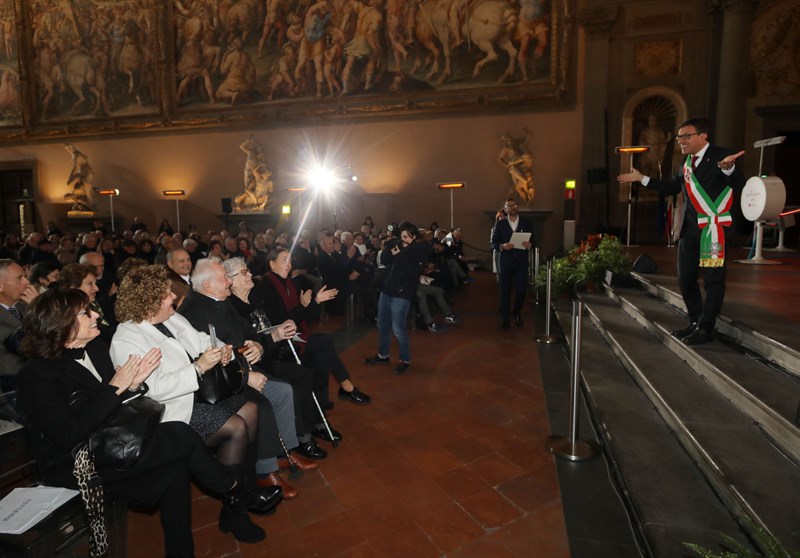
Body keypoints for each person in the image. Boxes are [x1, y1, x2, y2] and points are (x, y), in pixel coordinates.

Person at [15, 289, 281, 556]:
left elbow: (120, 402)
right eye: (86, 312)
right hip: (82, 463)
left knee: (176, 455)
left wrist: (133, 385)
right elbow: (69, 435)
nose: (96, 314)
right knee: (179, 435)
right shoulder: (36, 376)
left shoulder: (94, 347)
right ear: (62, 326)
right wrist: (116, 388)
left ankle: (195, 538)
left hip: (116, 439)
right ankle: (236, 494)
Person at [110, 266, 306, 508]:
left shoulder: (171, 318)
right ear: (149, 301)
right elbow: (153, 390)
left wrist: (224, 350)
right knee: (236, 426)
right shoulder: (126, 339)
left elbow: (200, 339)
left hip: (199, 394)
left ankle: (249, 483)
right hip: (171, 410)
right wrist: (198, 368)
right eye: (167, 294)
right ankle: (237, 501)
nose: (174, 297)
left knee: (252, 408)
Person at [617, 117, 746, 345]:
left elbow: (739, 184)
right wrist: (642, 179)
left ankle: (706, 327)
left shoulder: (722, 156)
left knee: (713, 280)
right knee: (685, 278)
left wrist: (730, 169)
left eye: (686, 136)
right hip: (689, 230)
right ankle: (695, 320)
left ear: (703, 136)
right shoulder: (685, 164)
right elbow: (671, 188)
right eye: (679, 137)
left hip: (713, 230)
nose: (681, 141)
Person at [227, 253, 371, 406]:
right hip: (282, 339)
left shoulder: (292, 284)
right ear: (271, 264)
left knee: (322, 356)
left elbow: (303, 317)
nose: (288, 264)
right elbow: (281, 320)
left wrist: (315, 301)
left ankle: (321, 404)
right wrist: (302, 306)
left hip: (291, 334)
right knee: (323, 341)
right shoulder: (264, 286)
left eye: (290, 260)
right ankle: (346, 387)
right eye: (283, 260)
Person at [364, 222, 431, 375]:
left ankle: (405, 360)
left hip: (402, 294)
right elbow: (386, 261)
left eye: (406, 236)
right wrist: (389, 248)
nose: (403, 239)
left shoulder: (419, 251)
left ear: (414, 237)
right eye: (401, 236)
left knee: (398, 329)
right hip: (387, 290)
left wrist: (399, 255)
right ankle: (383, 355)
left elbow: (412, 273)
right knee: (382, 324)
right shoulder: (397, 244)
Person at [490, 198, 533, 329]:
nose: (512, 207)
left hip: (521, 262)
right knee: (505, 292)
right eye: (509, 206)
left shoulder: (526, 223)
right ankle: (505, 320)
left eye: (514, 205)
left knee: (521, 291)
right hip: (506, 262)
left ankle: (516, 312)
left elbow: (534, 240)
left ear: (517, 207)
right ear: (505, 209)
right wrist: (502, 245)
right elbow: (493, 243)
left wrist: (530, 244)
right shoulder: (500, 224)